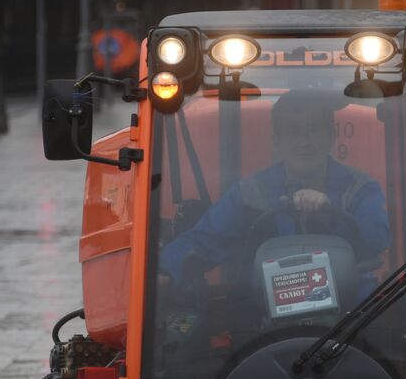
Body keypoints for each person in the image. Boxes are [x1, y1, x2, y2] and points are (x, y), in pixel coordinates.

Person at [159, 90, 390, 288]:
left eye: (313, 129)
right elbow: (204, 240)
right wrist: (162, 272)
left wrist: (329, 213)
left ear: (331, 136)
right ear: (276, 140)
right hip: (265, 316)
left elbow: (375, 240)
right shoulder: (250, 193)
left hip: (351, 312)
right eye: (292, 131)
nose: (303, 142)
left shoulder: (360, 188)